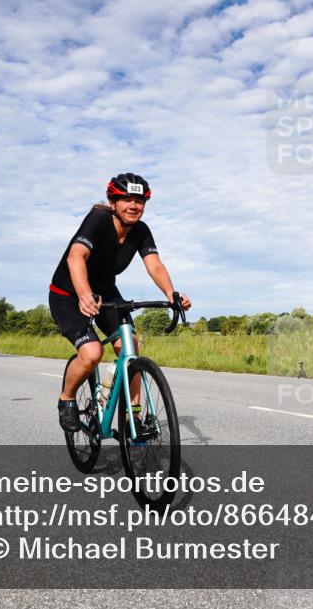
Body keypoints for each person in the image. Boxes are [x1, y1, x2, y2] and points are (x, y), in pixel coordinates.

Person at [49, 173, 190, 432]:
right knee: (92, 353)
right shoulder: (99, 220)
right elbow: (76, 257)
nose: (133, 205)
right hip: (68, 293)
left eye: (139, 200)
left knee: (130, 344)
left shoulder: (141, 230)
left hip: (106, 292)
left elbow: (154, 264)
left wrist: (172, 294)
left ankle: (130, 417)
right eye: (126, 199)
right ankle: (66, 398)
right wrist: (83, 294)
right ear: (112, 202)